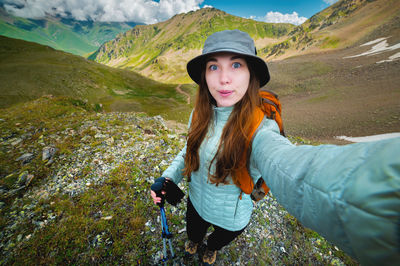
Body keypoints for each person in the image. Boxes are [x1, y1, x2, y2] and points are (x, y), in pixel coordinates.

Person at [150, 29, 400, 265]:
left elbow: (288, 164)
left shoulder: (261, 129)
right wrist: (167, 177)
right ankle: (195, 242)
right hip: (196, 203)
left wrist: (373, 198)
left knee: (219, 239)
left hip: (232, 217)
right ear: (204, 75)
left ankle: (211, 248)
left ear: (252, 76)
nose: (223, 78)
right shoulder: (199, 114)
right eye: (213, 66)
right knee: (194, 231)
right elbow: (188, 151)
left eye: (236, 65)